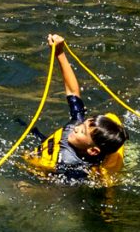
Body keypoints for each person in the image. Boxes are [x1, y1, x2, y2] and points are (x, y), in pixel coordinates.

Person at [33, 34, 127, 180]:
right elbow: (72, 91)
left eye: (82, 132)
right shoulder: (76, 125)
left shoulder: (72, 169)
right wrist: (59, 52)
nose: (76, 128)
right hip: (45, 148)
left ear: (93, 150)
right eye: (82, 125)